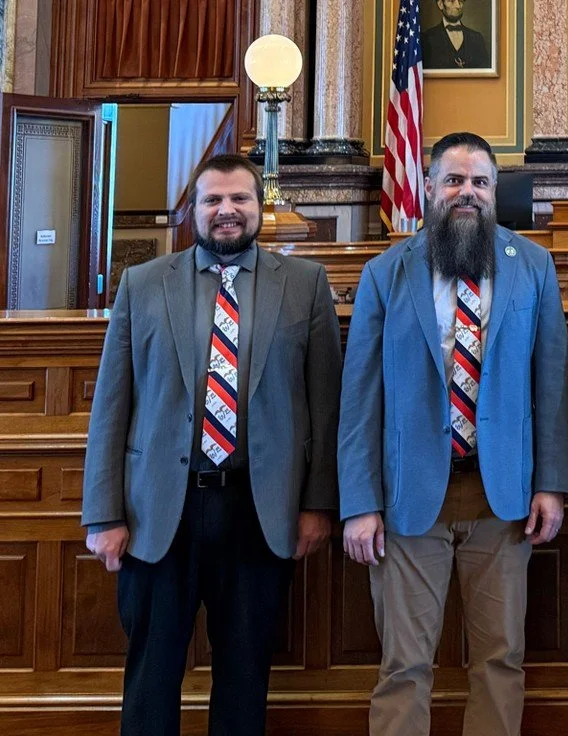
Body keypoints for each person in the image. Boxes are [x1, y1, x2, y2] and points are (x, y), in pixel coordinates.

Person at [81, 154, 342, 735]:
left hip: (259, 508)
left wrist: (317, 505)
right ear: (193, 211)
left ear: (257, 207)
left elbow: (326, 408)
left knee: (245, 675)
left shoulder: (304, 284)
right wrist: (102, 514)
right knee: (152, 674)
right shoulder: (144, 284)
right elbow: (111, 406)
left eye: (240, 199)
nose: (227, 211)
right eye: (213, 200)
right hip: (158, 513)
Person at [339, 131, 568, 736]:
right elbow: (360, 398)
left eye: (479, 183)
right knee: (404, 665)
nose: (466, 193)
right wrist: (359, 503)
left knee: (500, 661)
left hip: (503, 499)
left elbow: (551, 386)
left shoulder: (534, 266)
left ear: (495, 192)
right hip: (408, 500)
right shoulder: (385, 273)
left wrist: (551, 483)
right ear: (429, 188)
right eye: (453, 181)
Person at [421, 0, 491, 69]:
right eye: (452, 1)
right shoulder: (427, 38)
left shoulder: (477, 38)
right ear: (440, 4)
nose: (458, 6)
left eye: (460, 1)